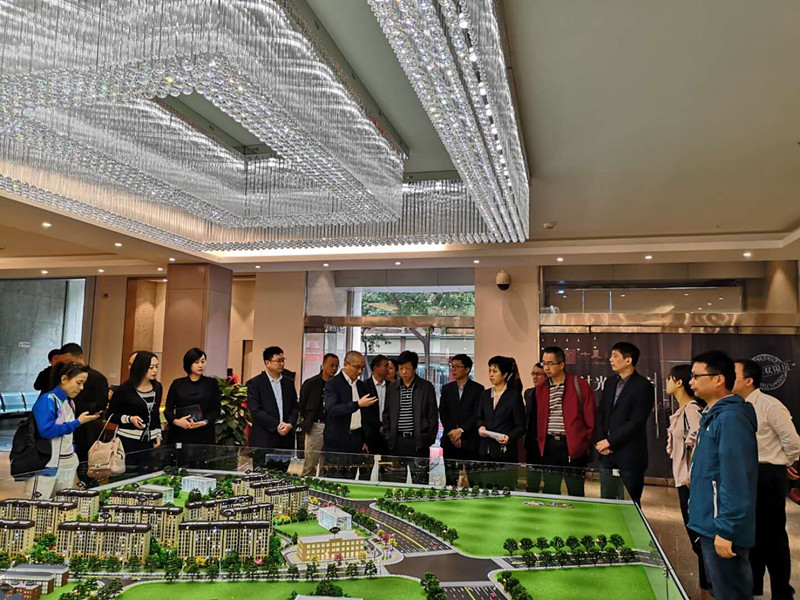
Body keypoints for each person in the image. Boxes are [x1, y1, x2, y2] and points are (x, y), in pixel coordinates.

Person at [689, 351, 758, 600]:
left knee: (731, 592)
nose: (691, 382)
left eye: (696, 376)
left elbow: (736, 479)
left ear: (718, 379)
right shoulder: (714, 415)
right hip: (709, 523)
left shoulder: (731, 418)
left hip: (721, 527)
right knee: (720, 590)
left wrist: (726, 530)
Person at [733, 359, 800, 600]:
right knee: (751, 534)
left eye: (734, 374)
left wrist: (785, 462)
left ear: (749, 380)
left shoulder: (770, 405)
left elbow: (793, 441)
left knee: (773, 536)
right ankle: (754, 587)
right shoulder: (734, 406)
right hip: (743, 475)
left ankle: (782, 591)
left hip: (767, 475)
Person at [25, 362, 100, 499]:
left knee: (62, 503)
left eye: (83, 384)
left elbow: (67, 436)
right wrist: (77, 422)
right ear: (64, 379)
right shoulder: (48, 400)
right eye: (78, 383)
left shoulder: (69, 402)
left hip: (66, 462)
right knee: (39, 504)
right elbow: (46, 431)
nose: (81, 388)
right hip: (46, 464)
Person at [665, 364, 709, 596]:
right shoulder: (683, 410)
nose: (667, 383)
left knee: (699, 538)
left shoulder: (692, 409)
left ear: (678, 382)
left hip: (691, 483)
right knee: (696, 538)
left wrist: (693, 474)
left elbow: (699, 441)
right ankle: (706, 588)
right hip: (684, 480)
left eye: (669, 378)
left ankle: (708, 589)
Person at [594, 342, 654, 504]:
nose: (610, 359)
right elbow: (601, 413)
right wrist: (601, 441)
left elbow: (636, 422)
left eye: (615, 356)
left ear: (628, 360)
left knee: (629, 502)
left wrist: (610, 441)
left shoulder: (643, 386)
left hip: (629, 455)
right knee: (607, 501)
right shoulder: (610, 382)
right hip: (606, 454)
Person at [531, 347, 595, 496]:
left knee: (575, 490)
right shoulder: (541, 388)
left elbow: (590, 418)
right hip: (549, 445)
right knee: (550, 489)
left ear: (561, 365)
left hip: (572, 445)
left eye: (551, 363)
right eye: (544, 363)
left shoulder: (579, 384)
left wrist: (582, 444)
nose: (546, 368)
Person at [383, 351, 438, 483]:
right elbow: (387, 414)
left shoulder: (426, 387)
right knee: (396, 480)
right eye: (401, 368)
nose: (404, 372)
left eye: (407, 368)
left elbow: (432, 415)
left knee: (420, 480)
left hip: (418, 441)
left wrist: (429, 438)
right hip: (397, 441)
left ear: (414, 368)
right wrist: (388, 435)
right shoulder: (392, 388)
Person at [57, 343, 109, 483]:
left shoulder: (97, 378)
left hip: (88, 427)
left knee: (86, 462)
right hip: (68, 425)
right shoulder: (61, 379)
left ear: (80, 357)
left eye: (69, 361)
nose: (80, 387)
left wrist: (78, 408)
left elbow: (101, 403)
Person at [323, 351, 376, 478]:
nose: (360, 371)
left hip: (357, 440)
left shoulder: (361, 386)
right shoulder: (333, 384)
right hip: (337, 441)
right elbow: (333, 410)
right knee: (336, 477)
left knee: (355, 477)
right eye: (357, 367)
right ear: (346, 364)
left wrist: (365, 439)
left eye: (362, 368)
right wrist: (357, 404)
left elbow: (366, 416)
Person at [108, 351, 163, 469]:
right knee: (128, 471)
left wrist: (158, 434)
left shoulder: (158, 387)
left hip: (149, 441)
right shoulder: (124, 390)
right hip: (127, 441)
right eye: (151, 367)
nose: (155, 371)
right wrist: (129, 419)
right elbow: (110, 415)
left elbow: (155, 413)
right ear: (141, 367)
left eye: (156, 367)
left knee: (147, 472)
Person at [164, 348, 221, 446]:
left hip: (204, 434)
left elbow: (216, 409)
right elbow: (168, 410)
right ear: (188, 363)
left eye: (203, 361)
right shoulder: (177, 384)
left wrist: (204, 422)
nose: (200, 365)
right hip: (180, 432)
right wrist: (177, 421)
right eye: (196, 362)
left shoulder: (212, 383)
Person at [246, 346, 298, 450]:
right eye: (278, 361)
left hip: (286, 438)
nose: (282, 364)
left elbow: (295, 407)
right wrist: (277, 425)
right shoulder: (255, 383)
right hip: (264, 437)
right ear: (267, 363)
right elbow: (255, 410)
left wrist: (290, 424)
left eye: (283, 360)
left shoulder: (288, 382)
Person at [477, 356, 526, 462]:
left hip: (505, 451)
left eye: (495, 371)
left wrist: (509, 437)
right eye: (489, 371)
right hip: (485, 449)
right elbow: (479, 417)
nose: (491, 374)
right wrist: (480, 426)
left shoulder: (514, 396)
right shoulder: (485, 394)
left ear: (504, 374)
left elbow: (520, 426)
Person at [298, 353, 339, 476]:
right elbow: (302, 405)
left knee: (327, 463)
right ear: (323, 364)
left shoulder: (337, 384)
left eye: (337, 366)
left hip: (333, 426)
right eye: (331, 365)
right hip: (316, 425)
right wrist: (308, 419)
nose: (334, 369)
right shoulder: (311, 383)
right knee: (311, 462)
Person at [439, 354, 484, 461]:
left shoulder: (478, 389)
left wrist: (461, 430)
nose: (453, 370)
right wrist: (452, 433)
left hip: (469, 440)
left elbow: (476, 413)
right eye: (452, 366)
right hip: (449, 439)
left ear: (467, 369)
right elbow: (443, 412)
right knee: (450, 471)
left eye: (457, 367)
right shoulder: (447, 388)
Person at [524, 362, 546, 492]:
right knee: (532, 480)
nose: (535, 377)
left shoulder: (552, 394)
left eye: (538, 374)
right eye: (533, 373)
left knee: (549, 481)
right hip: (532, 440)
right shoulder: (529, 393)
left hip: (547, 442)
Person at [363, 355, 390, 456]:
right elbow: (365, 412)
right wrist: (378, 426)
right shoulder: (364, 386)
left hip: (388, 433)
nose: (388, 369)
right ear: (376, 368)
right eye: (385, 366)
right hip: (371, 433)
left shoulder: (391, 386)